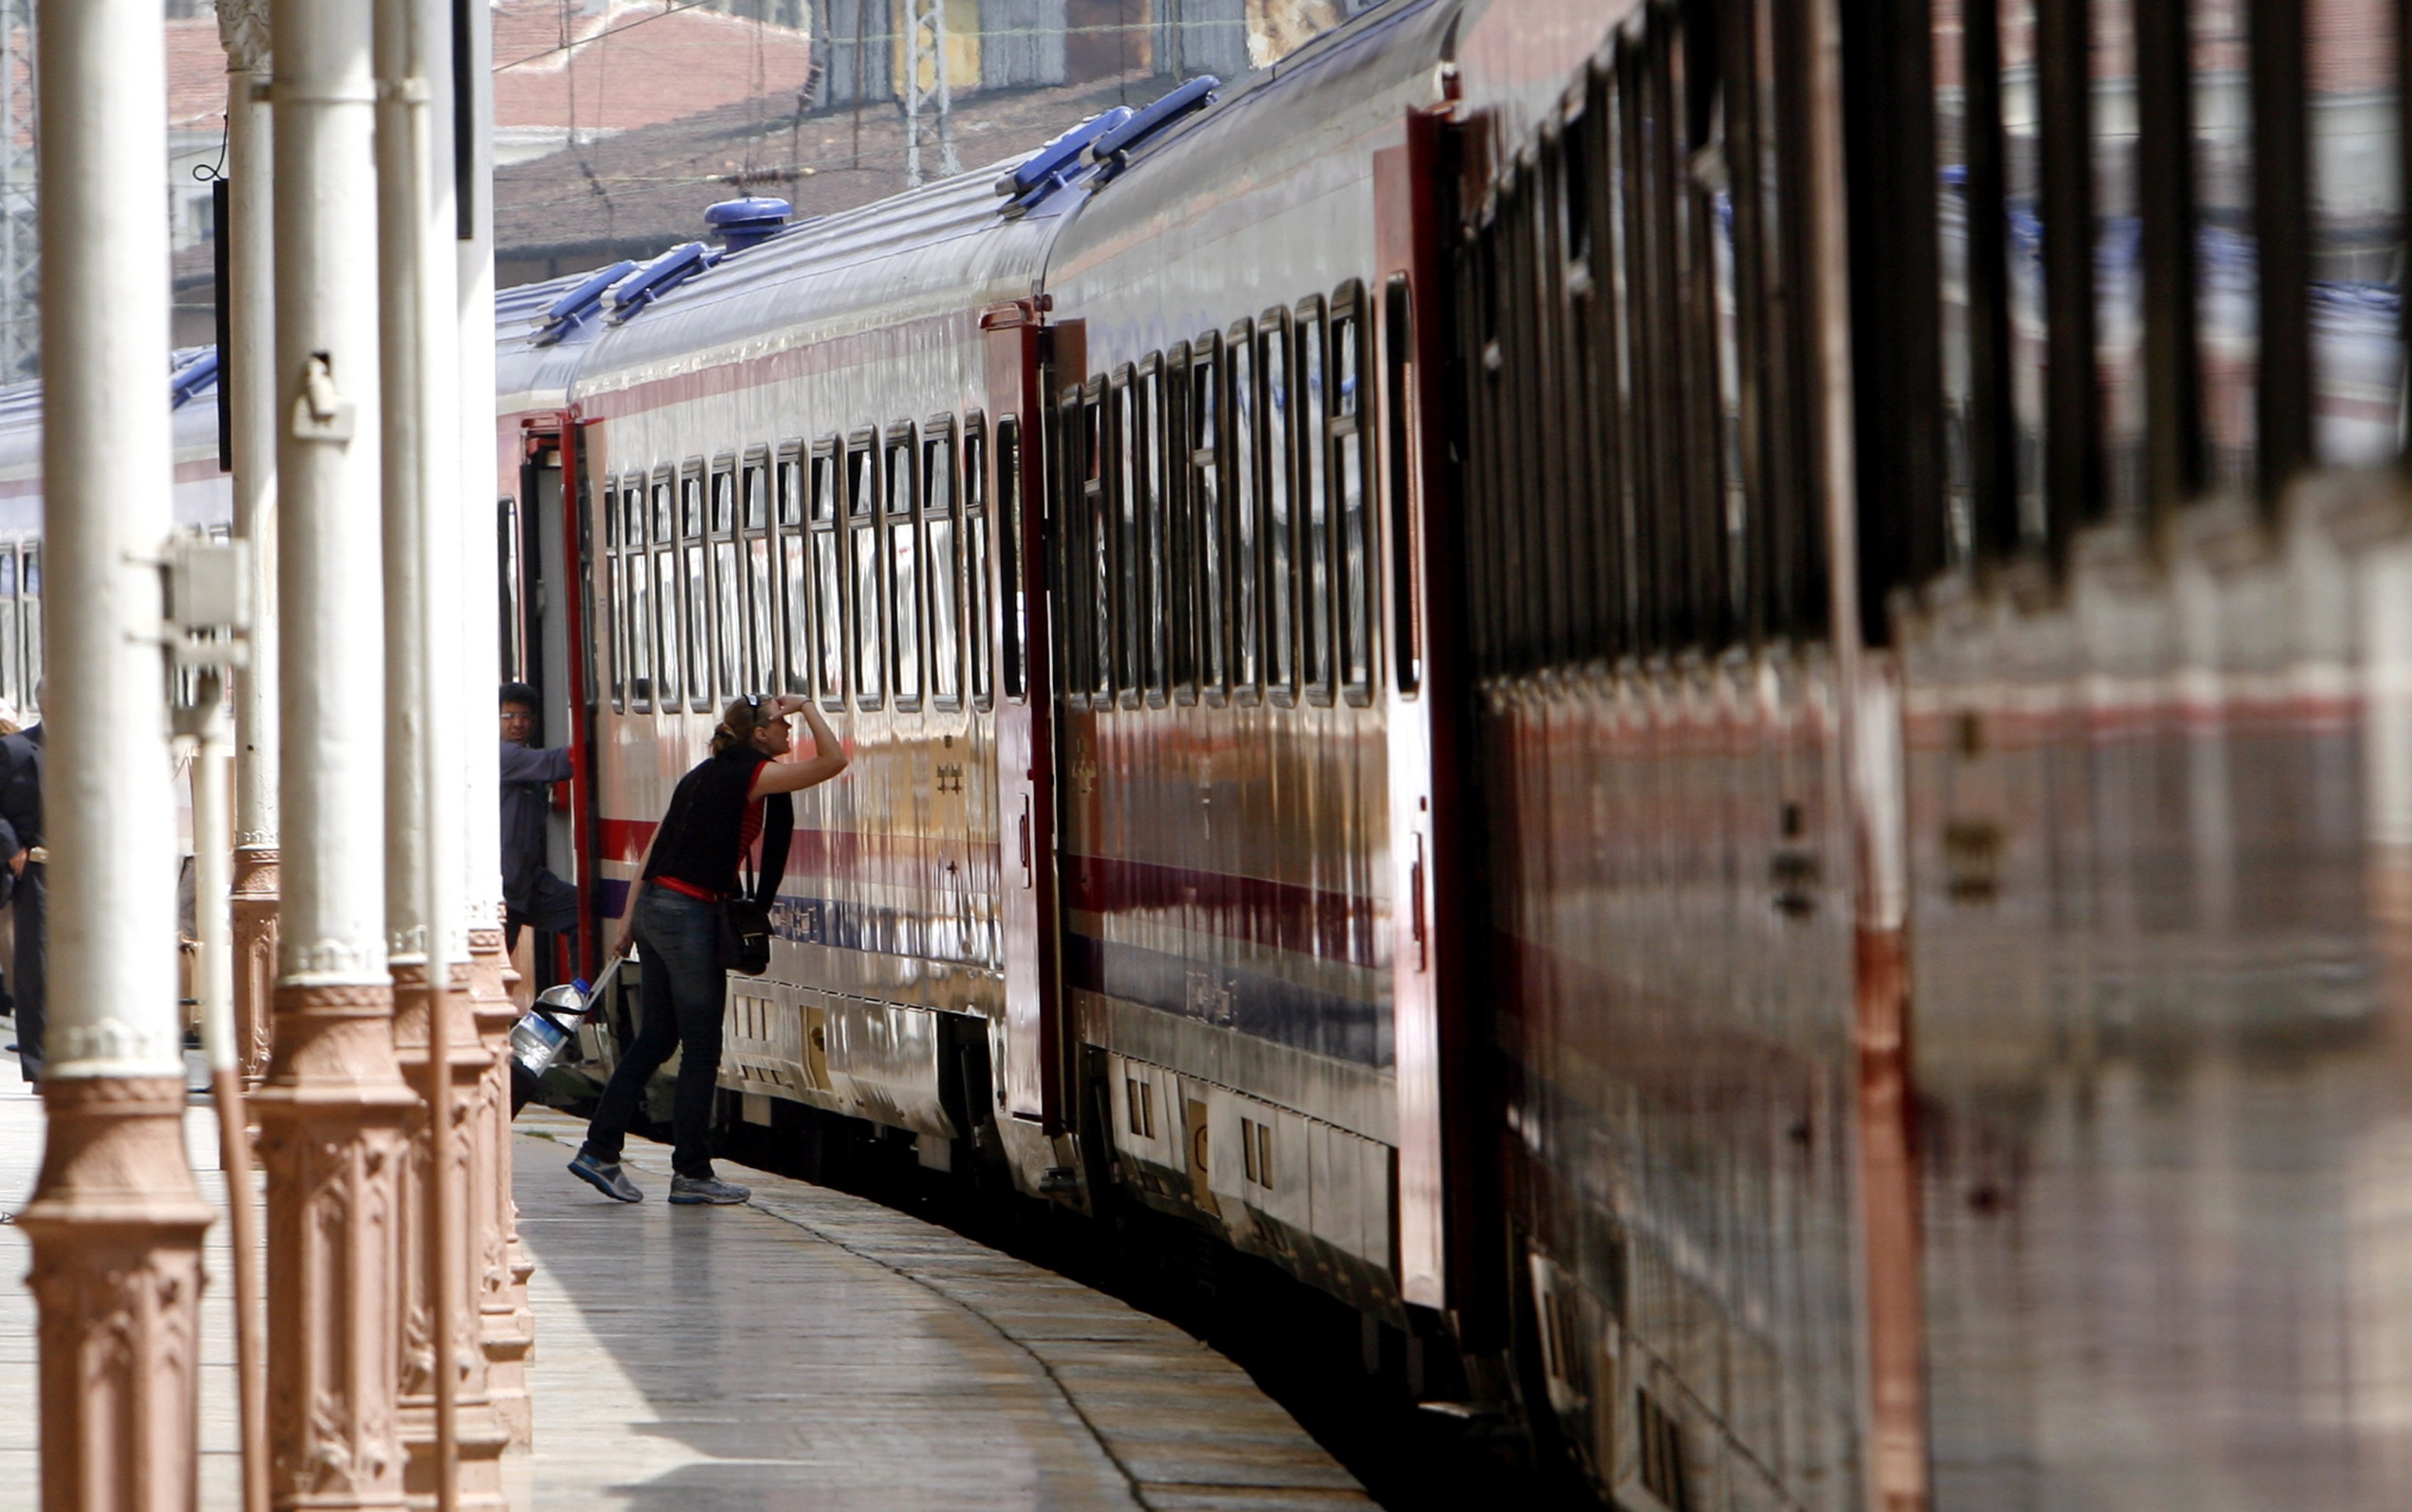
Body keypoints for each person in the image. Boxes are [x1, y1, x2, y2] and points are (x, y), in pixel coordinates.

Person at [568, 693, 847, 1204]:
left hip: (656, 909)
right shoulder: (753, 774)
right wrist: (808, 707)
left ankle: (599, 1151)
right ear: (758, 735)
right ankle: (691, 1172)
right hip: (688, 913)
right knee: (700, 1048)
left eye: (790, 723)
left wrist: (630, 920)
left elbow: (655, 849)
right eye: (780, 725)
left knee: (653, 1038)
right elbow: (835, 761)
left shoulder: (702, 773)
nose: (789, 732)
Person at [499, 682, 579, 964]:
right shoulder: (501, 756)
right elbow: (557, 763)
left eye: (525, 716)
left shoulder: (520, 757)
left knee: (579, 911)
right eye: (509, 717)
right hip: (500, 889)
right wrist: (597, 739)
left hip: (526, 882)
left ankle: (580, 999)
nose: (518, 723)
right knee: (492, 968)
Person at [0, 682, 45, 1084]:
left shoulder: (96, 745)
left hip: (88, 872)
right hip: (39, 869)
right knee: (38, 965)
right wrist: (12, 846)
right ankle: (39, 1061)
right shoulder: (17, 750)